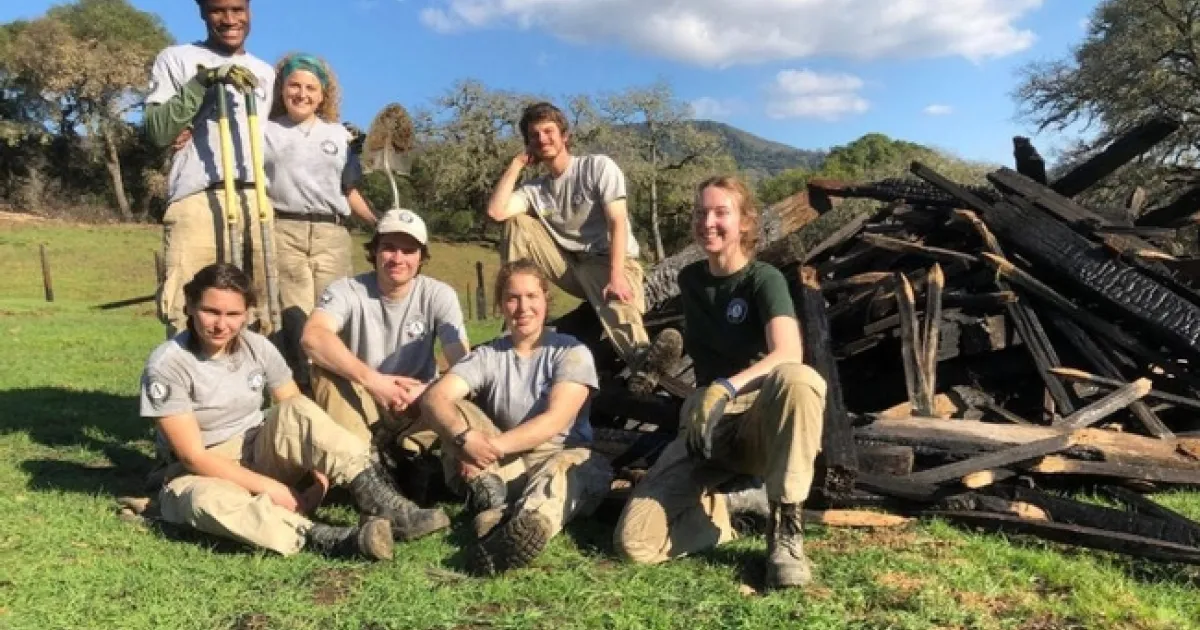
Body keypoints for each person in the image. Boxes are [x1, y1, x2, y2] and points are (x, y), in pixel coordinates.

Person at [139, 263, 451, 559]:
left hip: (258, 447)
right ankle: (327, 537)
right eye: (211, 311)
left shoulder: (257, 346)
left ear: (246, 313)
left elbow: (296, 409)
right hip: (204, 470)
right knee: (203, 503)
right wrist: (271, 488)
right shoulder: (167, 366)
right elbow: (193, 456)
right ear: (190, 306)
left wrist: (319, 476)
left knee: (298, 406)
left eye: (233, 314)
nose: (222, 324)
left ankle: (383, 501)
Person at [613, 176, 828, 590]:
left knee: (799, 380)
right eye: (700, 213)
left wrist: (725, 388)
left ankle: (786, 533)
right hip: (707, 423)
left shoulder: (763, 279)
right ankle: (727, 510)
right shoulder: (691, 280)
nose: (707, 222)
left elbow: (788, 352)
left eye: (720, 212)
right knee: (634, 543)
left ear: (745, 222)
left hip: (758, 419)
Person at [421, 259, 613, 575]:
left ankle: (527, 526)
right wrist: (463, 438)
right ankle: (492, 502)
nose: (523, 307)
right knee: (456, 412)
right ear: (501, 304)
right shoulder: (487, 355)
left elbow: (555, 420)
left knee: (565, 472)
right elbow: (435, 398)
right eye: (513, 298)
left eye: (531, 296)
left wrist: (489, 448)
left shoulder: (571, 352)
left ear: (545, 300)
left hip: (558, 452)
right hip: (506, 463)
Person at [485, 101, 681, 392]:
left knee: (615, 297)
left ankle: (642, 361)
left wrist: (617, 275)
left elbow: (617, 221)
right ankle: (513, 319)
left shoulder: (596, 167)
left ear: (565, 135)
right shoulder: (535, 190)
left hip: (610, 260)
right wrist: (516, 164)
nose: (542, 139)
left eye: (548, 131)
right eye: (534, 135)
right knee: (516, 223)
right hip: (570, 265)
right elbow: (496, 212)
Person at [144, 0, 275, 338]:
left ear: (249, 10)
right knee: (188, 308)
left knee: (259, 312)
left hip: (255, 200)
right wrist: (202, 83)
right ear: (202, 12)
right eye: (218, 10)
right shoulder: (176, 59)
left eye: (237, 9)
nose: (229, 19)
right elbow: (158, 131)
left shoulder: (266, 72)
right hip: (198, 198)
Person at [301, 209, 470, 451]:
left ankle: (414, 453)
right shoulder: (346, 290)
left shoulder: (439, 295)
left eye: (409, 251)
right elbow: (313, 336)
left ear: (421, 257)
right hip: (361, 397)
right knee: (323, 372)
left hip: (417, 400)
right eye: (389, 248)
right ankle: (360, 459)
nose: (398, 259)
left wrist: (426, 391)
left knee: (464, 396)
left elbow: (461, 362)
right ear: (375, 251)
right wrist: (376, 383)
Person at [264, 52, 376, 318]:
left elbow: (348, 190)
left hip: (331, 235)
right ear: (282, 90)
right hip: (284, 233)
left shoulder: (341, 135)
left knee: (332, 314)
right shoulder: (264, 132)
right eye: (294, 85)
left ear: (323, 95)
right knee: (294, 316)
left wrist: (378, 222)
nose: (302, 94)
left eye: (310, 88)